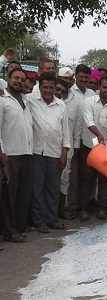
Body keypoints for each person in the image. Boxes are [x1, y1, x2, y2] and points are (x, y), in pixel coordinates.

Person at [28, 72, 70, 233]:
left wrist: (65, 151)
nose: (48, 90)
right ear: (39, 87)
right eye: (45, 87)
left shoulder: (61, 105)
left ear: (55, 88)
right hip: (36, 151)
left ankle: (52, 219)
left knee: (53, 188)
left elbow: (65, 130)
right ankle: (39, 221)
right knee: (37, 188)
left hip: (54, 152)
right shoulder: (31, 101)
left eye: (51, 87)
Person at [80, 77, 107, 221]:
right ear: (99, 87)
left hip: (106, 148)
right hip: (89, 146)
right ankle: (84, 209)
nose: (106, 90)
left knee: (104, 179)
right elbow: (88, 120)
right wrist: (99, 135)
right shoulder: (89, 102)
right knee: (87, 179)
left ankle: (101, 208)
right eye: (104, 87)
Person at [0, 68, 33, 242]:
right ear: (8, 79)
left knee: (22, 193)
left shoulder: (26, 100)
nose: (19, 81)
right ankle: (9, 230)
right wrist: (2, 152)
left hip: (27, 152)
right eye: (16, 78)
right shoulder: (2, 100)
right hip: (10, 154)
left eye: (22, 79)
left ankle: (19, 227)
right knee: (9, 195)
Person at [68, 64, 96, 219]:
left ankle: (86, 205)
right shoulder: (70, 93)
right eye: (81, 77)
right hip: (72, 139)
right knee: (73, 175)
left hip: (88, 141)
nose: (84, 79)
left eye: (87, 77)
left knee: (87, 175)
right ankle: (72, 207)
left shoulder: (92, 94)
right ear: (75, 76)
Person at [55, 78, 80, 220]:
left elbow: (76, 129)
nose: (59, 93)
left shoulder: (73, 104)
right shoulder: (42, 103)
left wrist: (74, 149)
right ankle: (49, 212)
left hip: (67, 149)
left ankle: (60, 210)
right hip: (48, 149)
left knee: (64, 180)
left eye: (62, 91)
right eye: (57, 89)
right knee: (49, 181)